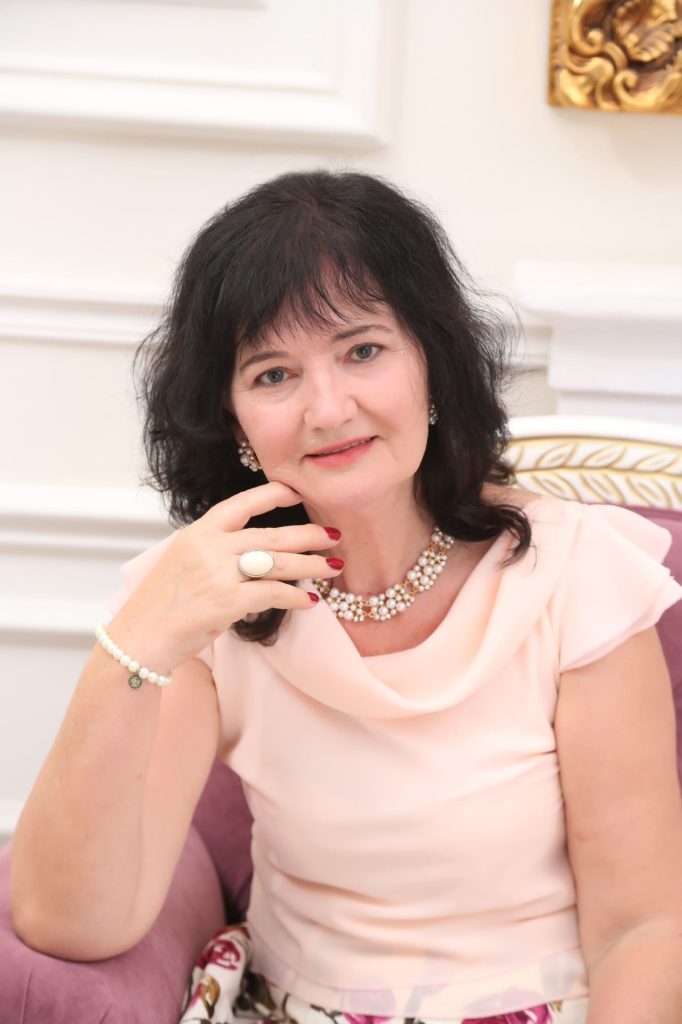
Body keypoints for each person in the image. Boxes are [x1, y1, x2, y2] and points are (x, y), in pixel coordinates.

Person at [9, 170, 682, 1024]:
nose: (328, 409)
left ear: (433, 363)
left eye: (363, 351)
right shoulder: (210, 605)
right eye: (273, 374)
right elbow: (69, 922)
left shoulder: (576, 573)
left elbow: (642, 931)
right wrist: (135, 643)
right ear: (234, 421)